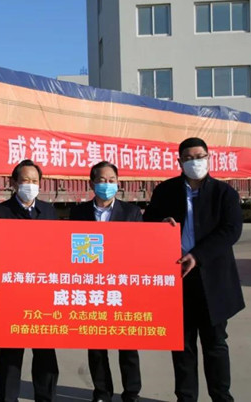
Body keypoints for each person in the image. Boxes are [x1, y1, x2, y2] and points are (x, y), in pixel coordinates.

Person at [143, 137, 244, 402]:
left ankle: (221, 397)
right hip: (178, 278)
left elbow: (231, 231)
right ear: (179, 162)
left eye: (199, 157)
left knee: (215, 344)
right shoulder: (166, 191)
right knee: (182, 346)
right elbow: (148, 221)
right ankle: (186, 398)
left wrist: (197, 256)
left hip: (213, 278)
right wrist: (159, 224)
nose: (194, 162)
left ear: (209, 158)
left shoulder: (224, 193)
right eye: (188, 158)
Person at [0, 159, 59, 402]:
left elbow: (58, 252)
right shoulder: (0, 212)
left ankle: (45, 397)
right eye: (25, 180)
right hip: (11, 294)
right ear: (14, 182)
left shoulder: (48, 211)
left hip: (44, 294)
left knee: (45, 352)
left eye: (35, 181)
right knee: (11, 355)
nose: (30, 185)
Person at [69, 161, 142, 402]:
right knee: (96, 345)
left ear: (118, 183)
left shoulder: (131, 213)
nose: (107, 184)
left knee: (128, 345)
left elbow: (141, 248)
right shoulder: (78, 213)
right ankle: (102, 392)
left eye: (111, 180)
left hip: (123, 286)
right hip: (92, 287)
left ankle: (131, 393)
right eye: (102, 180)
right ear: (92, 184)